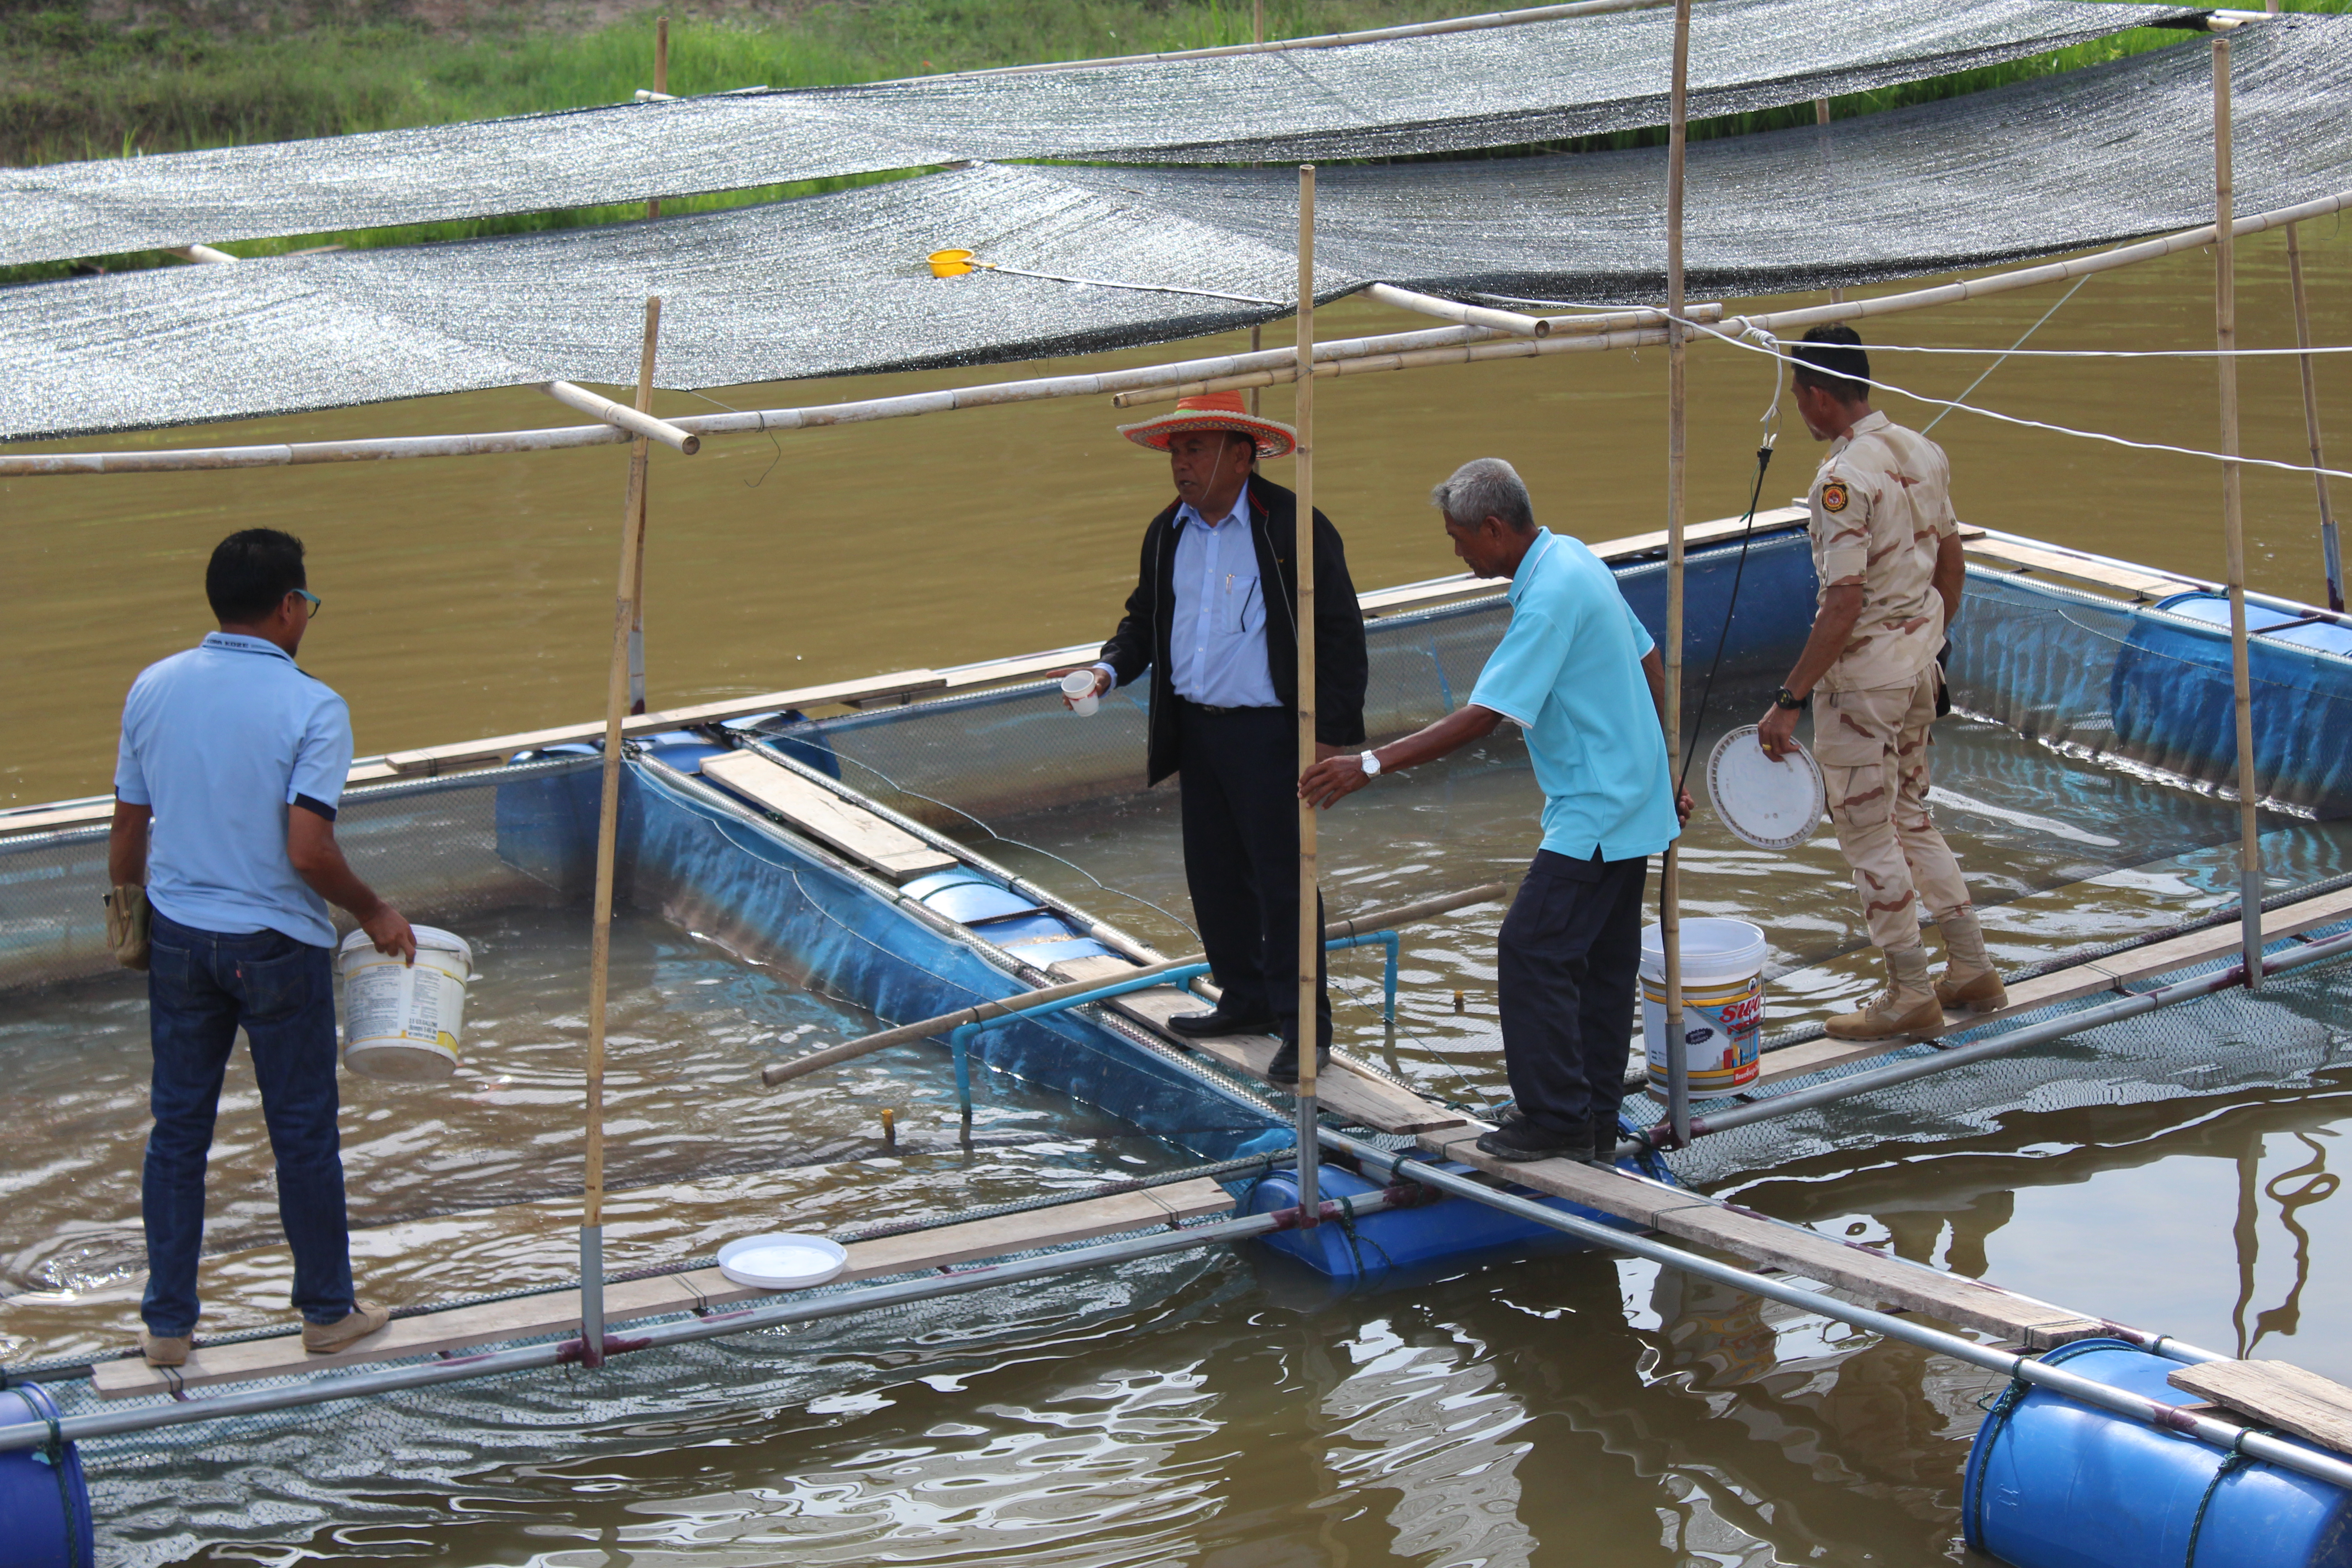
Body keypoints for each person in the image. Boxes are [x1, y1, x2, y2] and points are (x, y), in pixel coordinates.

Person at [1299, 459, 1687, 1163]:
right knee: (1598, 965)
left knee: (1530, 949)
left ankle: (1556, 1119)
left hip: (1597, 813)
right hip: (1631, 802)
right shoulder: (1574, 558)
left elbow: (1485, 717)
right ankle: (1595, 1114)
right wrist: (1664, 766)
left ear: (1495, 529)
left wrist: (1371, 764)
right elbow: (1648, 656)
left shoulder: (1548, 597)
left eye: (1458, 539)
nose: (1458, 553)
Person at [110, 528, 415, 1368]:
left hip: (177, 935)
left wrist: (130, 914)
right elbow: (309, 853)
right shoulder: (313, 707)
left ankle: (167, 1327)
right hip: (276, 945)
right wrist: (375, 910)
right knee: (303, 1136)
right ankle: (326, 1312)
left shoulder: (154, 686)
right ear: (289, 606)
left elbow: (129, 825)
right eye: (306, 604)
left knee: (177, 1132)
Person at [1065, 390, 1369, 1084]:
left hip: (1271, 733)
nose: (1180, 463)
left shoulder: (1292, 525)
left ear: (1242, 455)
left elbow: (1342, 636)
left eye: (1194, 448)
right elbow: (1144, 621)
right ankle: (1246, 998)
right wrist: (1108, 670)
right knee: (1214, 876)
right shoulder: (1167, 531)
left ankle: (1305, 1027)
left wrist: (1334, 739)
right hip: (1197, 728)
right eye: (1175, 451)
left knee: (1285, 882)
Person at [1756, 324, 2003, 1041]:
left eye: (1801, 396)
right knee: (1911, 816)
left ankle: (1909, 991)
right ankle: (1972, 969)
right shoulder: (1924, 450)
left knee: (1867, 833)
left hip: (1862, 685)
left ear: (1820, 397)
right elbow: (1951, 565)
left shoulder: (1841, 481)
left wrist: (1789, 699)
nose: (1801, 410)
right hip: (1922, 670)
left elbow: (1843, 603)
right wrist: (1928, 638)